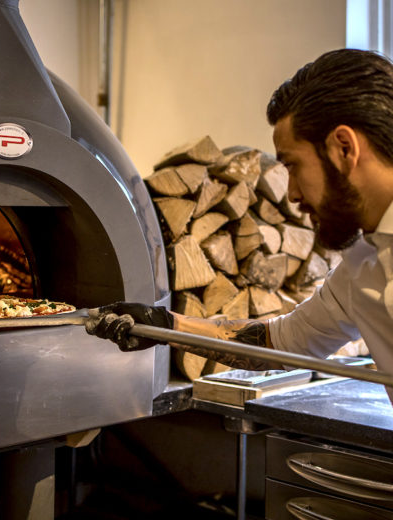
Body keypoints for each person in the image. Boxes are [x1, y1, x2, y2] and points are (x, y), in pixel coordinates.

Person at [85, 48, 393, 401]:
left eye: (292, 166)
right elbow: (281, 341)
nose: (291, 194)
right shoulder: (362, 264)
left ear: (343, 147)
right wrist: (165, 326)